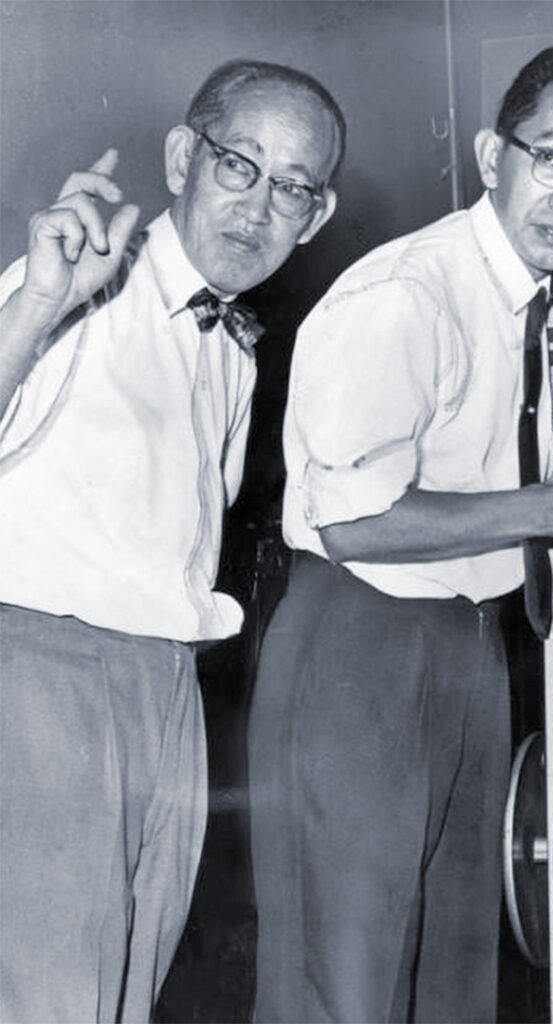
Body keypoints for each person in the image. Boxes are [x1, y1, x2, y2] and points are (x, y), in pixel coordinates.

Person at [248, 45, 553, 1023]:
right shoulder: (405, 294)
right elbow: (351, 521)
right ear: (490, 157)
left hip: (468, 646)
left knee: (452, 982)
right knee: (343, 989)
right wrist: (548, 508)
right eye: (550, 157)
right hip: (361, 637)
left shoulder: (528, 292)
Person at [0, 59, 343, 1022]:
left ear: (316, 216)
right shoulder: (73, 278)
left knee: (123, 993)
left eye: (293, 188)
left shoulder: (228, 345)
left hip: (165, 691)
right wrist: (40, 304)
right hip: (45, 679)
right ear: (183, 157)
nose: (259, 207)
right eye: (241, 166)